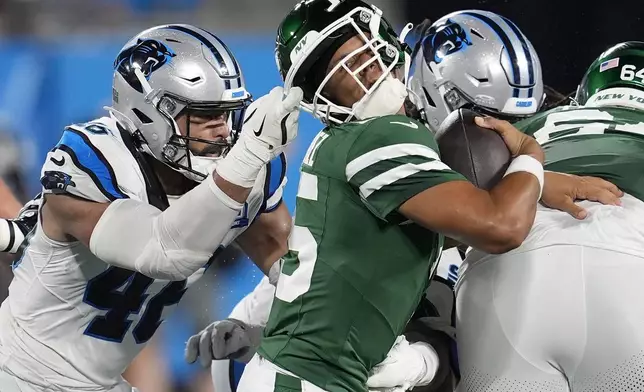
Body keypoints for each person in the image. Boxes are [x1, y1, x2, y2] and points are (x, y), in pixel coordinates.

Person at [238, 0, 546, 390]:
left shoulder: (351, 142)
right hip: (309, 380)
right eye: (334, 73)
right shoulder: (382, 136)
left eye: (359, 52)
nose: (358, 73)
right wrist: (531, 156)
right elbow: (502, 226)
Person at [0, 23, 301, 392]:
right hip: (18, 375)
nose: (223, 132)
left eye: (226, 115)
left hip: (102, 382)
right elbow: (164, 251)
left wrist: (257, 328)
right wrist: (249, 156)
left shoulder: (239, 173)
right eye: (205, 116)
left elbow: (299, 279)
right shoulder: (95, 160)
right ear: (150, 114)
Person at [453, 41, 644, 391]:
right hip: (630, 264)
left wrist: (538, 179)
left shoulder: (532, 124)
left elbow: (458, 172)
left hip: (501, 272)